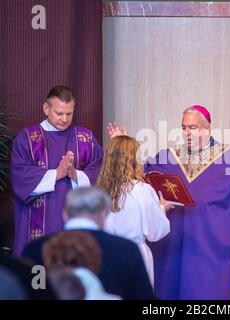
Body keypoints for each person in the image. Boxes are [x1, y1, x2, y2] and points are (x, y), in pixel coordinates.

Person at [108, 105, 230, 300]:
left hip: (211, 249)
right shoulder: (167, 158)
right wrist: (120, 146)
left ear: (207, 128)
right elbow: (137, 177)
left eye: (193, 127)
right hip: (173, 248)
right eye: (184, 127)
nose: (187, 132)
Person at [11, 85, 104, 256]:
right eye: (59, 113)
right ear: (46, 108)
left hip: (76, 218)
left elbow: (101, 169)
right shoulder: (28, 138)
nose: (64, 119)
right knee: (39, 276)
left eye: (69, 113)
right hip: (39, 222)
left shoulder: (85, 138)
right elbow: (20, 176)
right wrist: (56, 174)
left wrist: (76, 175)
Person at [22, 186, 155, 300]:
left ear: (65, 214)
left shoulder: (36, 249)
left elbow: (32, 294)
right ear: (104, 213)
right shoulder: (126, 249)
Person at [97, 135, 181, 287]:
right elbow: (155, 232)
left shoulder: (100, 190)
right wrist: (162, 207)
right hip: (134, 255)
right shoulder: (142, 190)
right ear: (134, 159)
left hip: (106, 255)